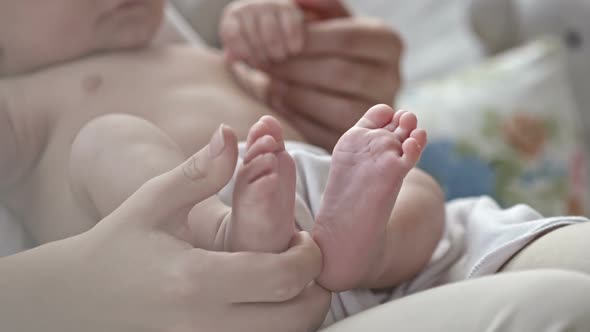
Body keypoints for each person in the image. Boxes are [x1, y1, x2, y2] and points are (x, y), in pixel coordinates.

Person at [1, 0, 590, 330]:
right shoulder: (20, 102)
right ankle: (226, 235)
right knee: (107, 139)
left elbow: (282, 102)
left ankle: (359, 248)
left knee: (419, 187)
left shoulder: (186, 48)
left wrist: (272, 33)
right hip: (195, 255)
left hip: (322, 197)